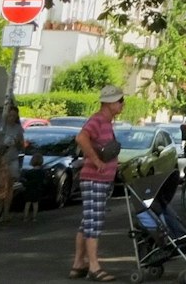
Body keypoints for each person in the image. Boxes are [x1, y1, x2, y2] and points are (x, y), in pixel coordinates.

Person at [70, 85, 125, 281]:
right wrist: (97, 161)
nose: (122, 104)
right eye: (120, 101)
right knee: (94, 222)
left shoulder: (107, 122)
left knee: (87, 222)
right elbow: (81, 138)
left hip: (100, 180)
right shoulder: (98, 120)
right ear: (110, 103)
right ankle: (94, 266)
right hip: (94, 179)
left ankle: (78, 264)